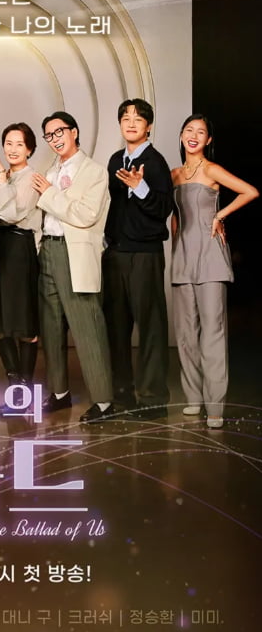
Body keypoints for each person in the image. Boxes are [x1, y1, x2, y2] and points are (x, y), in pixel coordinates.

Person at [171, 114, 258, 429]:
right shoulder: (174, 174)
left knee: (213, 332)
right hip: (183, 258)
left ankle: (215, 406)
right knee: (185, 334)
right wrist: (175, 248)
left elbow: (250, 191)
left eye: (201, 132)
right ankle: (194, 398)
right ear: (182, 135)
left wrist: (220, 215)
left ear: (208, 140)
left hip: (210, 256)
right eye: (189, 130)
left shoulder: (211, 169)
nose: (194, 135)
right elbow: (175, 217)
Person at [31, 111, 114, 423]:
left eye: (59, 132)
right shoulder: (50, 170)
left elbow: (85, 214)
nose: (55, 139)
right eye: (49, 135)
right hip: (49, 249)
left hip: (73, 253)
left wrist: (49, 193)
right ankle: (59, 392)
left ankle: (104, 402)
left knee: (86, 327)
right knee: (50, 326)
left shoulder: (94, 171)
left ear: (74, 132)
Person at [103, 98, 173, 419]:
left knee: (151, 328)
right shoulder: (115, 160)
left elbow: (164, 208)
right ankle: (122, 395)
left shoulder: (155, 162)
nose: (131, 123)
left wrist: (141, 187)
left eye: (138, 119)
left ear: (148, 126)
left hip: (144, 254)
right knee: (116, 328)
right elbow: (112, 207)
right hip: (115, 253)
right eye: (125, 118)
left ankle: (153, 399)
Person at [0, 122, 41, 386]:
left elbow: (11, 214)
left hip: (19, 249)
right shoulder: (3, 175)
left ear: (30, 149)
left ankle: (25, 384)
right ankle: (14, 381)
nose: (13, 149)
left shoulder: (32, 177)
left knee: (22, 321)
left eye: (20, 144)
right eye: (8, 143)